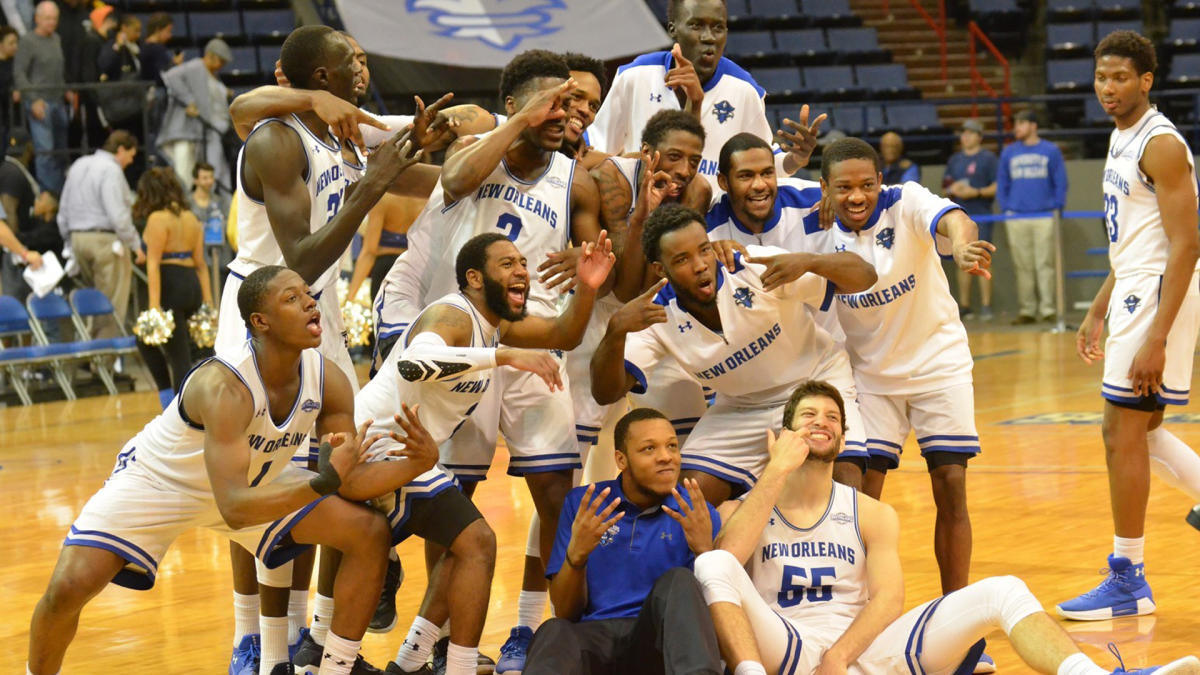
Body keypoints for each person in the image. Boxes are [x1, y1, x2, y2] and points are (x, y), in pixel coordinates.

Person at [25, 264, 416, 675]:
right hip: (161, 483)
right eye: (291, 298)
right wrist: (322, 481)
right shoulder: (223, 386)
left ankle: (335, 667)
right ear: (259, 322)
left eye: (307, 293)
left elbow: (343, 477)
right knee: (68, 588)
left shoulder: (329, 380)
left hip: (251, 486)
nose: (309, 302)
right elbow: (237, 507)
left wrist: (416, 462)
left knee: (368, 531)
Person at [692, 380, 1200, 675]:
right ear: (782, 432)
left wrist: (841, 659)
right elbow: (727, 563)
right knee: (712, 561)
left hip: (864, 653)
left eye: (831, 416)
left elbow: (889, 601)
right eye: (806, 416)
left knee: (1004, 589)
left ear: (844, 436)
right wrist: (776, 468)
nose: (820, 422)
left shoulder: (870, 512)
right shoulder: (749, 505)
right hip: (790, 646)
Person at [371, 48, 605, 672]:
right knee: (453, 499)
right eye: (552, 101)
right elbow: (453, 179)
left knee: (559, 487)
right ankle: (433, 639)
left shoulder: (574, 179)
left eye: (572, 102)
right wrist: (516, 121)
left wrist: (588, 280)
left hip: (532, 346)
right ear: (517, 105)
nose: (566, 112)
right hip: (461, 340)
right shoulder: (476, 153)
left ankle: (546, 628)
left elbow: (592, 262)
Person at [215, 25, 427, 675]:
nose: (363, 66)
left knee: (323, 476)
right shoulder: (280, 137)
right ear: (322, 76)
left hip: (320, 309)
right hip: (261, 310)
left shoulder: (347, 130)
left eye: (366, 56)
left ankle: (311, 636)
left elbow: (433, 164)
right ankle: (252, 637)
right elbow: (302, 252)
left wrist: (501, 136)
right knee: (266, 481)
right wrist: (378, 178)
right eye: (350, 60)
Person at [324, 230, 616, 675]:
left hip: (405, 454)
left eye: (522, 262)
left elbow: (565, 333)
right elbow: (412, 364)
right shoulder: (452, 315)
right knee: (465, 543)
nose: (521, 270)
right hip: (369, 451)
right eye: (507, 264)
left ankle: (415, 662)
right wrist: (503, 357)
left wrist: (588, 286)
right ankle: (340, 660)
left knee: (472, 542)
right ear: (474, 278)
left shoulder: (493, 325)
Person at [800, 136, 996, 667]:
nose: (858, 195)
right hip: (870, 378)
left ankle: (960, 626)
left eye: (867, 184)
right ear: (825, 189)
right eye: (845, 187)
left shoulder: (906, 202)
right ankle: (862, 622)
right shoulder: (813, 232)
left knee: (951, 485)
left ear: (880, 182)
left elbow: (954, 221)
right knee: (861, 494)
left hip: (938, 364)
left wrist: (963, 244)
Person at [590, 204, 876, 506]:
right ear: (661, 269)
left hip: (815, 382)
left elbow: (866, 277)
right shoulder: (656, 313)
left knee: (846, 488)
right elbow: (606, 393)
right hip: (741, 406)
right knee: (687, 503)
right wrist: (615, 332)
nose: (700, 265)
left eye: (704, 250)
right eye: (682, 259)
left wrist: (811, 261)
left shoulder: (752, 266)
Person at [1058, 30, 1200, 622]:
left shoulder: (1160, 144)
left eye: (1120, 78)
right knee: (1141, 430)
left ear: (1147, 80)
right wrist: (1098, 305)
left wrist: (1157, 337)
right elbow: (1134, 240)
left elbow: (1187, 242)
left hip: (1158, 298)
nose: (1107, 88)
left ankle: (1129, 578)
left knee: (1120, 432)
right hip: (1134, 290)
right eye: (1101, 77)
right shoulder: (1122, 137)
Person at [704, 132, 871, 485]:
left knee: (844, 476)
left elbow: (863, 273)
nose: (760, 185)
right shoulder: (706, 229)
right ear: (723, 181)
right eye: (746, 176)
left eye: (767, 173)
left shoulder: (813, 201)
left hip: (821, 361)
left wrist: (810, 260)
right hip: (753, 377)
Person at [522, 407, 723, 675]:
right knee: (553, 630)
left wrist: (704, 552)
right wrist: (576, 557)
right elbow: (566, 614)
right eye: (649, 449)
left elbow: (713, 614)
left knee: (680, 580)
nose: (666, 457)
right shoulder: (584, 505)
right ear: (621, 459)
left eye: (672, 446)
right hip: (595, 640)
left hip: (657, 646)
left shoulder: (698, 513)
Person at [588, 0, 817, 190]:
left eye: (718, 27)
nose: (709, 37)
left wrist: (797, 159)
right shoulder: (635, 76)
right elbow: (595, 151)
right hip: (643, 208)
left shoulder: (745, 89)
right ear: (673, 29)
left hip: (712, 221)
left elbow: (764, 166)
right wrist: (639, 163)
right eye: (696, 26)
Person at [132, 166, 213, 409]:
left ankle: (177, 412)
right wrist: (208, 304)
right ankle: (176, 403)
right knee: (148, 341)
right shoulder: (191, 217)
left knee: (179, 354)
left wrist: (154, 306)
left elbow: (154, 263)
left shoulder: (157, 219)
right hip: (191, 283)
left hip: (170, 283)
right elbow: (202, 264)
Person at [57, 129, 143, 344]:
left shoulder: (78, 164)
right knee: (109, 305)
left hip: (77, 239)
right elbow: (118, 214)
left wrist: (69, 242)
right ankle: (103, 366)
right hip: (105, 242)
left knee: (90, 304)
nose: (130, 162)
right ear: (120, 150)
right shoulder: (111, 170)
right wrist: (135, 244)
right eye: (130, 156)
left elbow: (63, 210)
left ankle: (89, 356)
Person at [997, 108, 1067, 324]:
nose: (1016, 128)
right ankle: (1027, 310)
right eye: (1015, 123)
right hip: (1016, 215)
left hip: (1045, 215)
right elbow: (1003, 183)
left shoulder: (1050, 151)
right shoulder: (1008, 153)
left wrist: (1057, 207)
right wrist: (1006, 207)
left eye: (1021, 123)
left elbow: (1061, 181)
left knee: (1045, 263)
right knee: (1023, 265)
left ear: (1033, 126)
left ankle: (1048, 309)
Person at [158, 38, 232, 191]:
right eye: (221, 61)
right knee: (183, 173)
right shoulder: (196, 66)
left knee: (198, 174)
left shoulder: (212, 74)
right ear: (210, 56)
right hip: (184, 131)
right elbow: (170, 77)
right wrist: (189, 100)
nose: (222, 66)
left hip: (201, 132)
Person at [943, 119, 997, 320]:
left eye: (970, 133)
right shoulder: (955, 160)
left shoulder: (988, 158)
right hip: (960, 213)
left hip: (981, 212)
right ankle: (964, 305)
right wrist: (953, 190)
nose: (965, 137)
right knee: (961, 257)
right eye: (963, 133)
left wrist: (976, 192)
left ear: (979, 137)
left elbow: (996, 186)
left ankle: (986, 305)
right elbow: (945, 185)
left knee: (983, 259)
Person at [14, 1, 69, 192]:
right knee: (45, 150)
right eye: (47, 18)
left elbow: (58, 70)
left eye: (54, 19)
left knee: (61, 150)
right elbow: (19, 73)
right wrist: (33, 99)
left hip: (59, 100)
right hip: (39, 102)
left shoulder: (57, 39)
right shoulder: (28, 41)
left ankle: (63, 192)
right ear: (37, 19)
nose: (51, 22)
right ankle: (49, 195)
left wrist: (66, 90)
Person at [0, 128, 56, 300]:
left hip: (14, 245)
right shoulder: (12, 172)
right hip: (13, 248)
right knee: (15, 302)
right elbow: (7, 215)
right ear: (29, 147)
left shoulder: (11, 170)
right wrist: (18, 249)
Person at [345, 192, 421, 307]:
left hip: (383, 272)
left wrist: (350, 298)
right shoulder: (426, 197)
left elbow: (369, 252)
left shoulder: (384, 199)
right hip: (411, 273)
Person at [0, 26, 19, 149]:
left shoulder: (17, 64)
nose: (15, 46)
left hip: (13, 118)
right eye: (11, 43)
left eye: (16, 43)